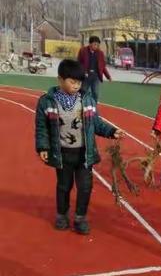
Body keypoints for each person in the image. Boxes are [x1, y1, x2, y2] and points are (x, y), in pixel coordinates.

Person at [35, 59, 123, 234]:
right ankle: (62, 215)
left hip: (84, 154)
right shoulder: (47, 102)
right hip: (62, 154)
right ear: (60, 80)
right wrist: (43, 147)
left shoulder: (87, 100)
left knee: (85, 187)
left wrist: (112, 131)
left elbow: (95, 123)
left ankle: (80, 217)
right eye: (72, 81)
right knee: (64, 186)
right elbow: (41, 127)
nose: (76, 86)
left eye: (79, 82)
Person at [77, 36, 112, 102]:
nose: (96, 46)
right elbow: (79, 63)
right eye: (95, 44)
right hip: (86, 75)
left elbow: (103, 66)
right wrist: (83, 72)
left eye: (98, 45)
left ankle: (94, 106)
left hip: (96, 76)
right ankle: (80, 105)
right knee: (83, 91)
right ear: (90, 44)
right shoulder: (83, 50)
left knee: (95, 93)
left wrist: (108, 76)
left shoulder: (100, 53)